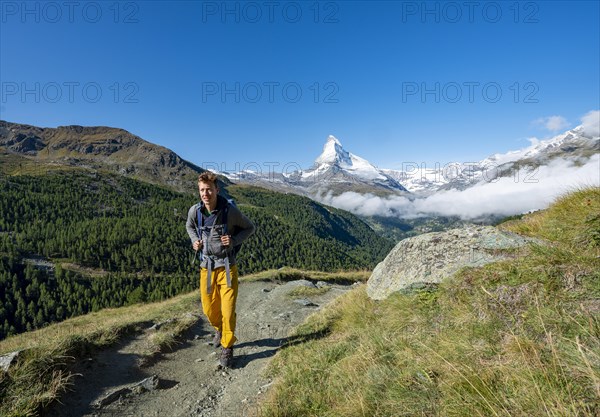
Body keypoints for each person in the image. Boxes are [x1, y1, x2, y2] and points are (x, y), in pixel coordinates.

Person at [186, 171, 255, 368]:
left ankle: (227, 346)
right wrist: (195, 241)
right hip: (206, 268)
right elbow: (189, 227)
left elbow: (249, 228)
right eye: (202, 190)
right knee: (209, 310)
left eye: (209, 190)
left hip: (227, 267)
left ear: (216, 189)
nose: (205, 194)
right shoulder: (195, 212)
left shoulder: (229, 211)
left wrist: (233, 241)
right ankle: (219, 329)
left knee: (228, 309)